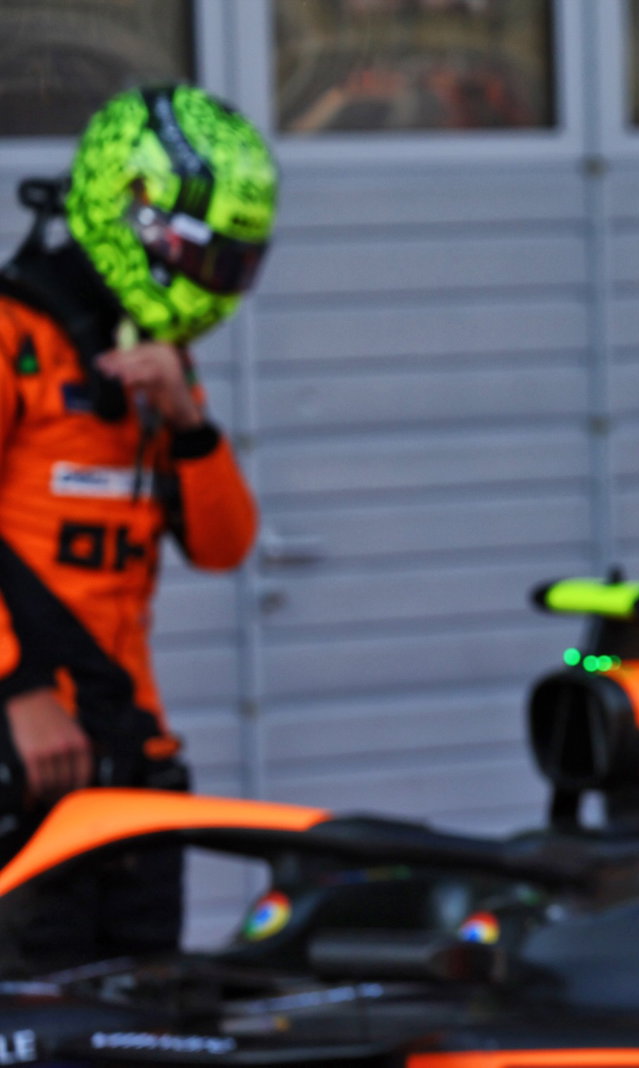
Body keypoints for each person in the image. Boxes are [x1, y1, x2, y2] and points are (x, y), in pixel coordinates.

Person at [0, 84, 273, 973]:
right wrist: (20, 694)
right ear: (137, 215)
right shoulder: (13, 334)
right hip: (27, 755)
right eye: (208, 259)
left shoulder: (155, 363)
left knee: (148, 1016)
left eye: (236, 266)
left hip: (130, 753)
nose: (214, 285)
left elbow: (224, 545)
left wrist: (187, 420)